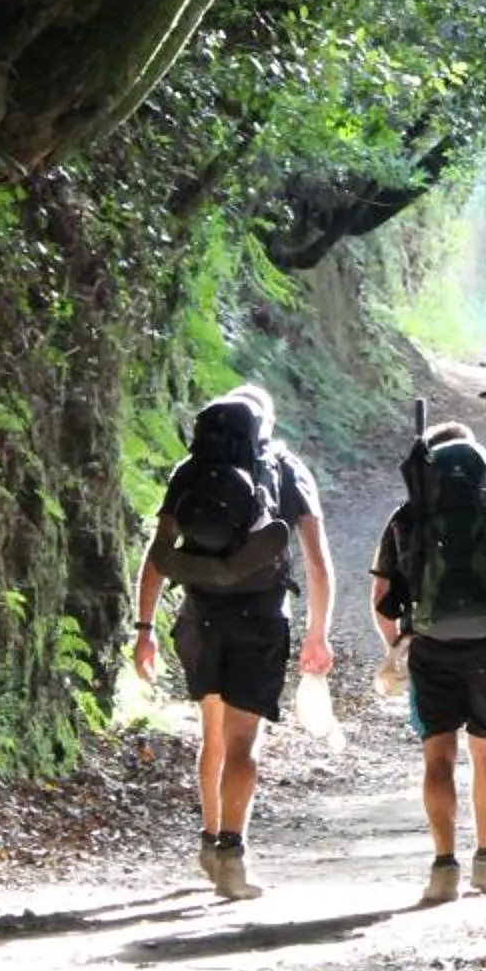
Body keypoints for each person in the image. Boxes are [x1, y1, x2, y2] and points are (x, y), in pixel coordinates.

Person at [132, 384, 334, 902]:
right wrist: (318, 631)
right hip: (261, 618)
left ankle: (208, 839)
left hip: (199, 615)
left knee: (213, 732)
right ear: (264, 426)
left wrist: (145, 629)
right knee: (244, 742)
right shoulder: (285, 471)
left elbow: (158, 556)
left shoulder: (190, 471)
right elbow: (315, 560)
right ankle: (231, 851)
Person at [370, 418, 486, 906]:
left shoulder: (407, 515)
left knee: (438, 756)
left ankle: (443, 868)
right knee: (485, 751)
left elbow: (381, 596)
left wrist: (399, 647)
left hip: (430, 648)